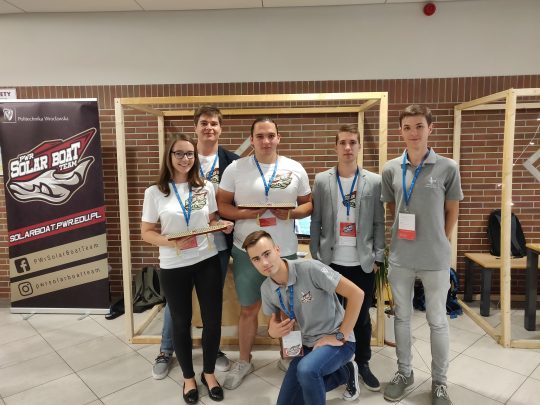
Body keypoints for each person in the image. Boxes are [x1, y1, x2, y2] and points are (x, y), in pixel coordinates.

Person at [217, 117, 312, 389]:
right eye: (260, 136)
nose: (266, 141)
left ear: (278, 138)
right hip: (247, 252)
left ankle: (289, 359)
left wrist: (291, 213)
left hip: (284, 252)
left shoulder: (294, 168)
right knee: (249, 308)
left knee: (287, 309)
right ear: (252, 140)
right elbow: (222, 206)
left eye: (271, 135)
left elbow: (308, 205)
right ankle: (244, 361)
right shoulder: (236, 168)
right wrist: (245, 214)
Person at [142, 133, 234, 404]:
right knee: (180, 322)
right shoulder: (155, 192)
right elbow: (147, 232)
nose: (185, 158)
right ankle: (188, 377)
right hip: (174, 265)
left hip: (206, 260)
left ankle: (209, 373)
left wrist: (222, 225)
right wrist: (171, 242)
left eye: (190, 154)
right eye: (179, 153)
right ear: (169, 157)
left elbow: (211, 219)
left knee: (212, 320)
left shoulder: (205, 187)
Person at [381, 105, 463, 405]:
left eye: (419, 126)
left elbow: (452, 209)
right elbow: (393, 208)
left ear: (430, 128)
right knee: (401, 317)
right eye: (407, 127)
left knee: (437, 320)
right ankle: (404, 373)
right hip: (401, 257)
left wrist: (441, 238)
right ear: (400, 131)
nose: (413, 133)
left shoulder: (447, 167)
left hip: (435, 258)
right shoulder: (391, 168)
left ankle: (440, 382)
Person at [243, 230, 364, 404]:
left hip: (338, 340)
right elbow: (274, 324)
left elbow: (357, 294)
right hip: (307, 345)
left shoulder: (310, 268)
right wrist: (272, 332)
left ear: (277, 250)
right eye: (256, 259)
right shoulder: (266, 289)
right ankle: (344, 373)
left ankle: (343, 368)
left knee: (307, 371)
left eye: (267, 254)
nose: (264, 262)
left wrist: (341, 335)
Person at [310, 124, 385, 392]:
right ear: (335, 147)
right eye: (342, 142)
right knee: (332, 317)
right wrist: (316, 256)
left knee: (361, 317)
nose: (348, 147)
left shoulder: (374, 181)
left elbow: (379, 222)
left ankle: (362, 363)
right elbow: (316, 221)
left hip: (362, 263)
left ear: (359, 146)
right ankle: (337, 364)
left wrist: (378, 257)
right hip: (331, 262)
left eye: (352, 142)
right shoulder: (322, 180)